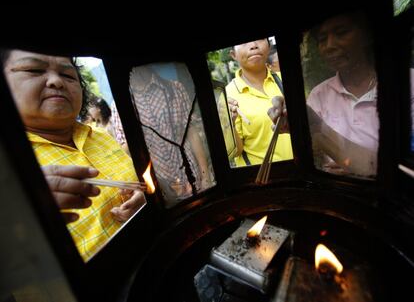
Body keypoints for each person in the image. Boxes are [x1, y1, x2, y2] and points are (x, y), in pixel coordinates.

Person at [2, 49, 146, 261]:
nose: (56, 82)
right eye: (34, 69)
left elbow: (140, 184)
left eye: (68, 75)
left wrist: (144, 197)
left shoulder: (99, 135)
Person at [114, 65, 213, 205]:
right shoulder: (120, 107)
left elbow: (192, 132)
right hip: (162, 188)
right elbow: (125, 151)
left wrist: (205, 176)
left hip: (192, 175)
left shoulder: (174, 89)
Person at [305, 11, 379, 177]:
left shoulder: (408, 83)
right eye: (322, 39)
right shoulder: (318, 95)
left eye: (342, 32)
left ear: (366, 35)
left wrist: (354, 166)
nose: (329, 45)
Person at [226, 38, 293, 167]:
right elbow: (236, 151)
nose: (253, 45)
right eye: (244, 41)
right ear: (233, 55)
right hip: (261, 179)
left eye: (260, 38)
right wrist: (229, 124)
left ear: (268, 46)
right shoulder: (228, 95)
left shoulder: (286, 78)